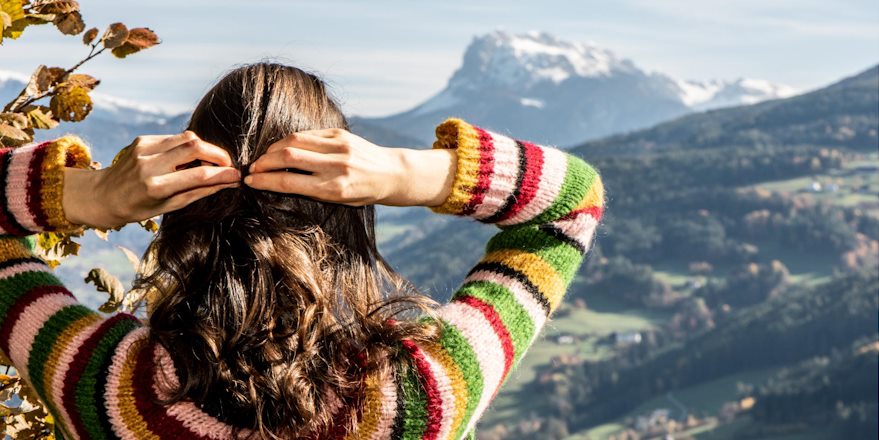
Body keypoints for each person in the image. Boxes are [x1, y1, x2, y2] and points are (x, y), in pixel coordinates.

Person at [0, 63, 604, 440]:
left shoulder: (108, 392)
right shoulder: (422, 393)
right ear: (347, 217)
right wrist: (407, 173)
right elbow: (572, 204)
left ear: (182, 212)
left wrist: (92, 194)